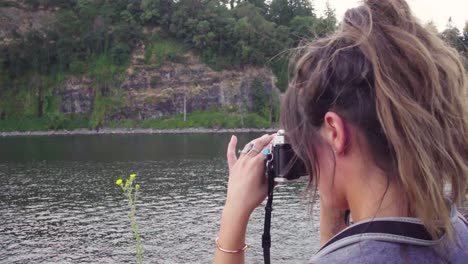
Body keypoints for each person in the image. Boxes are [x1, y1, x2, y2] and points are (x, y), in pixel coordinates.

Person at [213, 0, 468, 263]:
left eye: (305, 141)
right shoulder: (458, 230)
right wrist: (335, 188)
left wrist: (234, 210)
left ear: (335, 131)